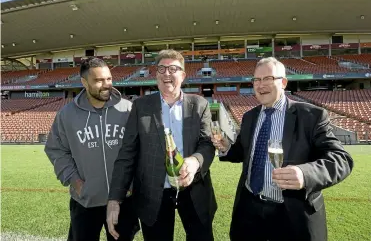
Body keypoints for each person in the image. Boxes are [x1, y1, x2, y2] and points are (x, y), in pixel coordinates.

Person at [212, 57, 353, 241]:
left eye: (268, 78)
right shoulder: (249, 117)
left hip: (292, 215)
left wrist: (304, 174)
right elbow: (243, 152)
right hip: (249, 211)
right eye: (256, 80)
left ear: (283, 82)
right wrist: (225, 147)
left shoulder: (311, 116)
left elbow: (341, 159)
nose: (261, 85)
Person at [107, 49, 217, 241]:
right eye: (161, 69)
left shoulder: (199, 104)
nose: (167, 73)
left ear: (182, 75)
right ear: (156, 74)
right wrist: (114, 199)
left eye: (173, 69)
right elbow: (127, 154)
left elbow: (206, 144)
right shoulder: (141, 106)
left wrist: (195, 161)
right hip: (153, 194)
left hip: (194, 190)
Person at [44, 57, 140, 241]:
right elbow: (56, 150)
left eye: (109, 79)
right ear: (84, 82)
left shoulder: (128, 110)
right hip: (85, 200)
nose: (106, 85)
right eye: (98, 80)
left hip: (123, 199)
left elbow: (140, 150)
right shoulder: (67, 115)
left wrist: (132, 184)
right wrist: (76, 183)